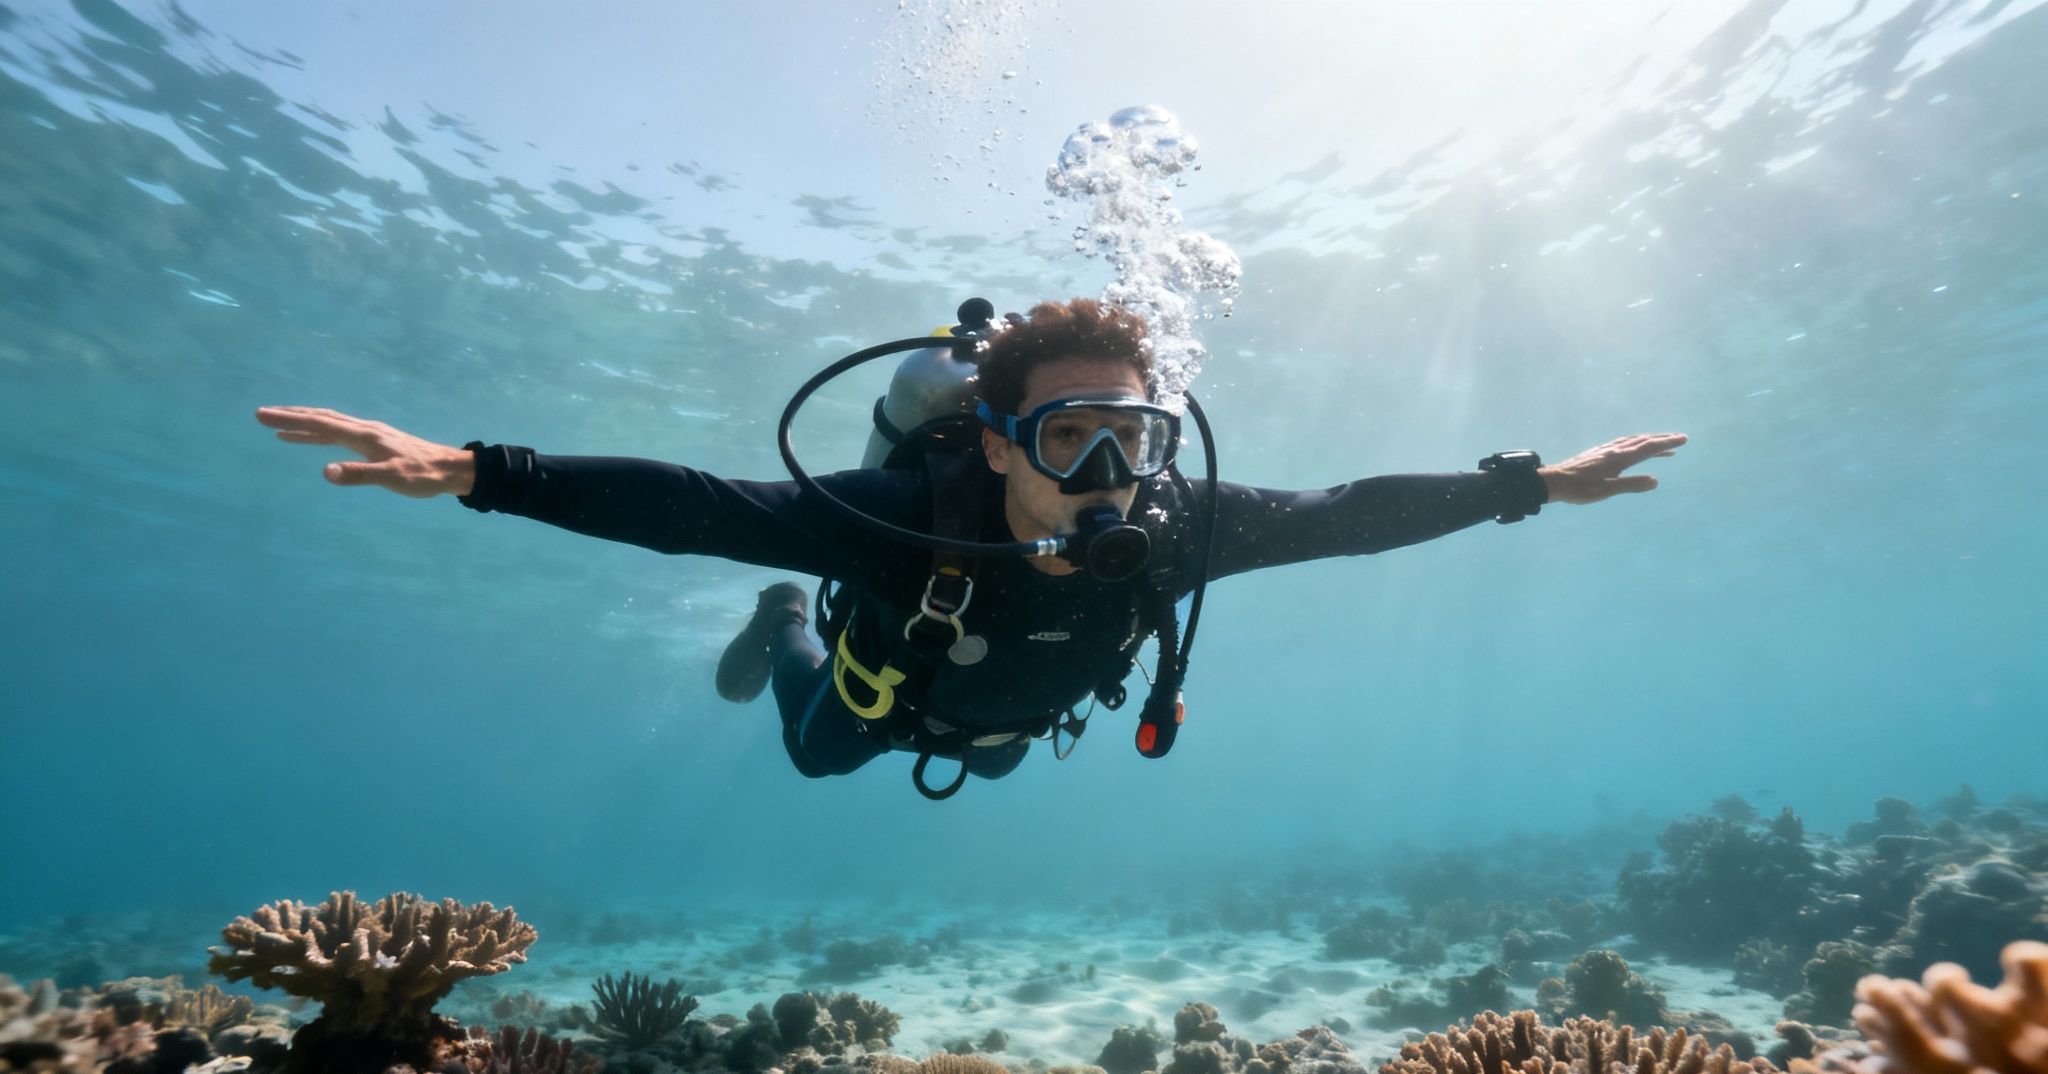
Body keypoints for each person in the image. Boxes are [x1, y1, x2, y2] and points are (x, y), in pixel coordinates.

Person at [255, 298, 1685, 793]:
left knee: (1001, 752)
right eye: (1076, 444)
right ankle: (785, 635)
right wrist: (472, 469)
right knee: (820, 754)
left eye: (1141, 440)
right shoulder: (898, 521)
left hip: (1016, 713)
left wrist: (1531, 485)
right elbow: (687, 504)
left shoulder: (1181, 531)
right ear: (998, 444)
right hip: (880, 692)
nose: (1119, 479)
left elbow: (1353, 517)